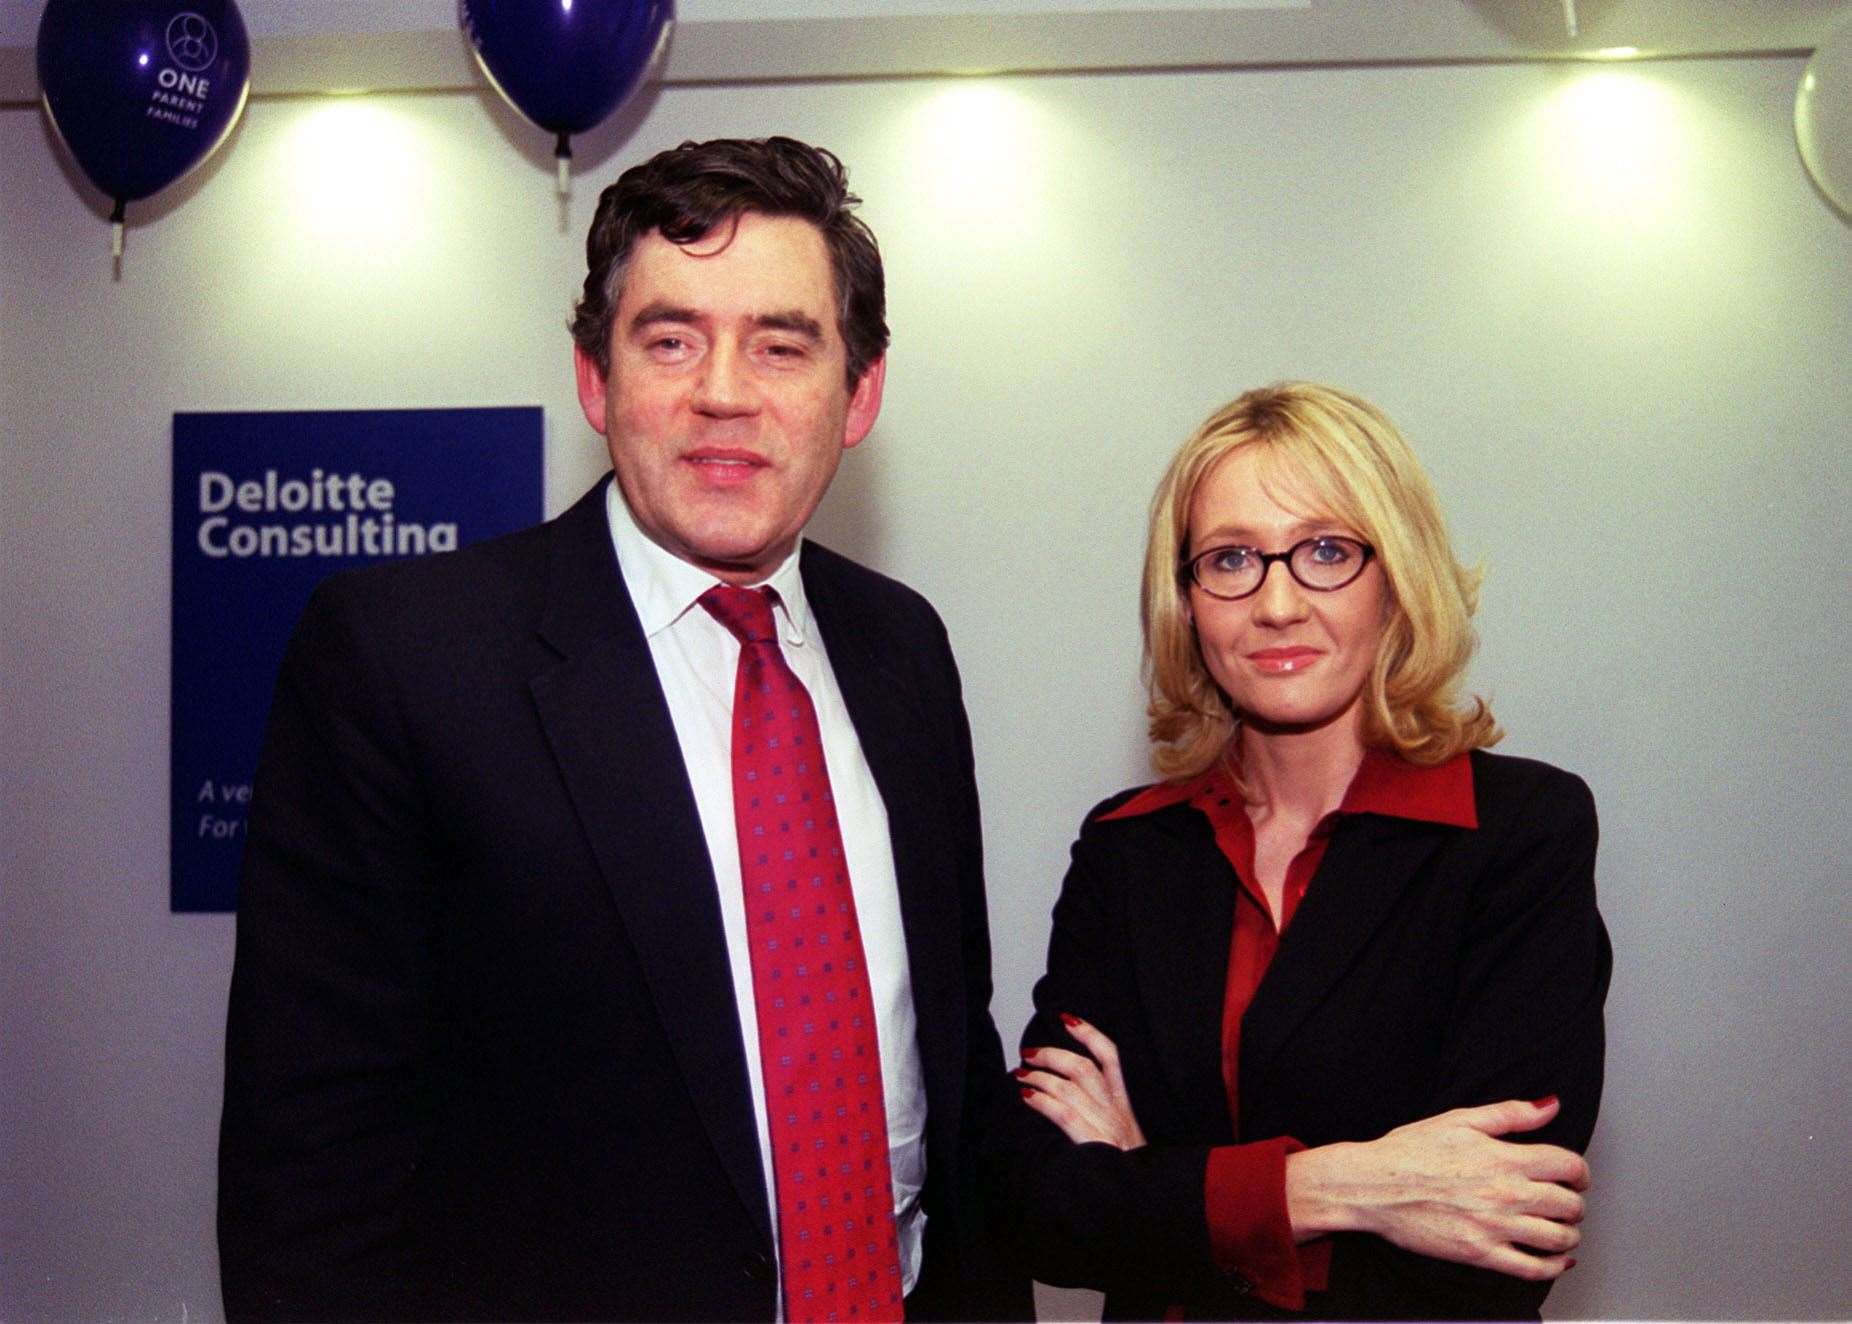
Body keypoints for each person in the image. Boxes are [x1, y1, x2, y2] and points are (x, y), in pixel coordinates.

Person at [217, 137, 1029, 1323]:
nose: (724, 391)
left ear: (859, 394)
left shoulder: (902, 649)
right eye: (670, 338)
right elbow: (309, 1176)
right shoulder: (402, 658)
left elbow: (951, 1070)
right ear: (596, 380)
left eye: (782, 344)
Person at [989, 382, 1611, 1320]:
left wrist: (1150, 1184)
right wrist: (1349, 1189)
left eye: (1325, 551)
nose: (1276, 603)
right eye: (1231, 558)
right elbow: (1035, 1208)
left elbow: (1490, 1247)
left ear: (1395, 576)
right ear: (1188, 601)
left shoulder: (1519, 834)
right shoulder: (1129, 848)